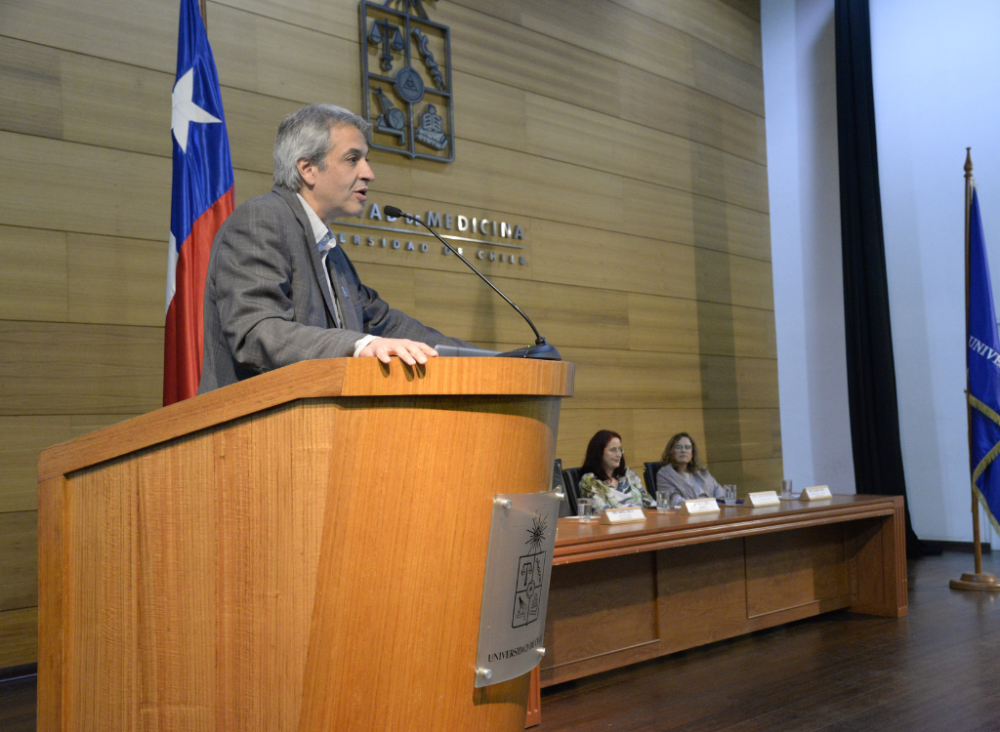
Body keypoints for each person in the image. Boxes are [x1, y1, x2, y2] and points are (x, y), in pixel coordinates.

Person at [199, 104, 472, 393]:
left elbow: (386, 325)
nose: (369, 173)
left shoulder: (330, 251)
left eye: (365, 159)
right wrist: (359, 345)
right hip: (253, 428)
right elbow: (255, 331)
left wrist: (489, 358)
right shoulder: (260, 219)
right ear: (308, 169)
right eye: (353, 159)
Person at [577, 430, 655, 512]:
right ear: (599, 453)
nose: (619, 454)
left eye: (620, 449)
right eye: (613, 450)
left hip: (640, 522)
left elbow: (650, 503)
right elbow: (602, 512)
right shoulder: (590, 480)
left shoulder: (628, 474)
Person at [655, 433, 725, 508]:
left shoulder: (701, 471)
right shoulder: (665, 474)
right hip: (688, 515)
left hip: (714, 511)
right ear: (671, 452)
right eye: (678, 447)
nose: (683, 450)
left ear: (692, 453)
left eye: (687, 447)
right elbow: (675, 501)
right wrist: (702, 506)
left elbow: (720, 493)